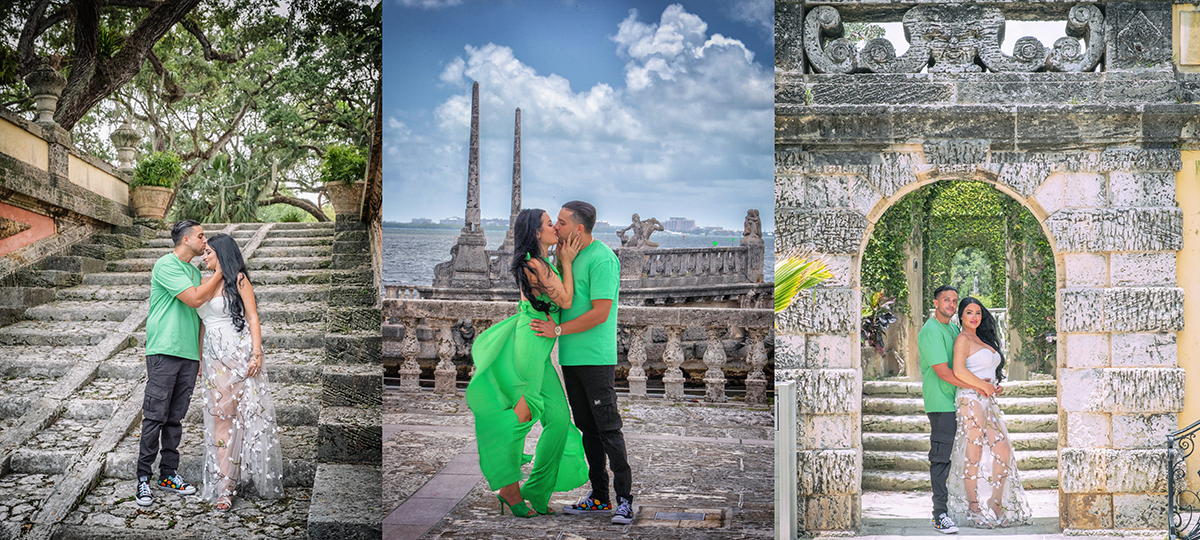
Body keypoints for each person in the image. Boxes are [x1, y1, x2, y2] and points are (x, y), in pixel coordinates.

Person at [466, 208, 588, 518]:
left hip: (540, 348)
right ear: (536, 233)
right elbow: (566, 301)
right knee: (525, 414)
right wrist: (567, 262)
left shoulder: (538, 262)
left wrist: (559, 261)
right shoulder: (536, 265)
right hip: (533, 345)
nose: (555, 229)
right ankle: (507, 485)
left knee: (559, 419)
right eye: (550, 224)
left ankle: (536, 487)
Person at [530, 200, 635, 525]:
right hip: (571, 358)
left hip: (596, 359)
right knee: (587, 429)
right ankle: (600, 497)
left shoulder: (602, 258)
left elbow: (600, 313)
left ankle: (625, 501)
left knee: (608, 429)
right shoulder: (567, 257)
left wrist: (558, 329)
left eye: (561, 222)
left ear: (578, 228)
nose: (556, 227)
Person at [136, 220, 225, 507]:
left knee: (175, 418)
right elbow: (194, 298)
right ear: (186, 240)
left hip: (188, 354)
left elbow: (201, 317)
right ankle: (143, 479)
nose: (204, 240)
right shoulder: (166, 265)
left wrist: (198, 356)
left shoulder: (195, 271)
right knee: (155, 416)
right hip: (164, 349)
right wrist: (222, 271)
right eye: (200, 236)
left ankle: (168, 474)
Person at [197, 233, 284, 511]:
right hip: (213, 359)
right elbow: (202, 323)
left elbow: (253, 316)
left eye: (209, 252)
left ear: (222, 254)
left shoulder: (240, 280)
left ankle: (237, 477)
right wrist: (199, 358)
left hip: (238, 355)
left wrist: (256, 353)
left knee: (243, 419)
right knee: (220, 420)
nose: (204, 256)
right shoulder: (202, 283)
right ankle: (224, 486)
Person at [947, 297, 1031, 527]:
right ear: (961, 316)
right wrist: (982, 386)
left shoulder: (982, 338)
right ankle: (973, 508)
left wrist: (993, 384)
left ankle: (995, 501)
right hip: (970, 398)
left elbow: (987, 370)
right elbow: (959, 370)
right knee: (973, 452)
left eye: (978, 313)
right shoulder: (962, 339)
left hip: (987, 398)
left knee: (1002, 449)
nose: (974, 317)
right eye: (969, 313)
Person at [918, 284, 968, 533]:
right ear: (936, 303)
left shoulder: (952, 328)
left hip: (957, 402)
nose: (951, 304)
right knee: (940, 460)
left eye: (954, 300)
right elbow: (942, 371)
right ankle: (939, 515)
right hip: (941, 404)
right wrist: (976, 386)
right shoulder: (931, 331)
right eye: (946, 300)